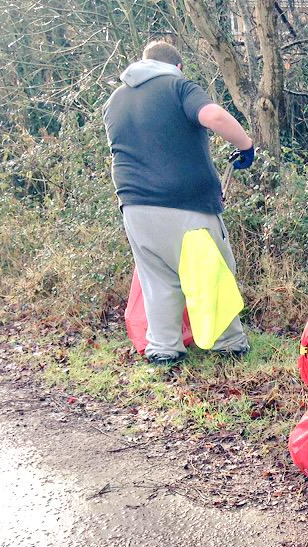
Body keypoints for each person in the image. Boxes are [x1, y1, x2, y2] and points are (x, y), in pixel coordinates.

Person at [104, 40, 255, 366]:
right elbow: (214, 116)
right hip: (187, 205)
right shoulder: (177, 85)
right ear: (178, 67)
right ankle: (228, 343)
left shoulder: (115, 100)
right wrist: (245, 145)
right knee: (212, 272)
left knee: (157, 280)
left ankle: (164, 349)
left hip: (134, 207)